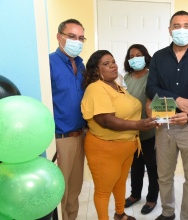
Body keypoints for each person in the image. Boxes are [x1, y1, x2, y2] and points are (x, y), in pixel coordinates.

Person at [146, 10, 188, 220]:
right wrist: (177, 99)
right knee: (164, 176)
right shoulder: (158, 57)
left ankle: (187, 217)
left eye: (186, 25)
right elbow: (151, 88)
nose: (181, 29)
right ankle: (168, 213)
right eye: (177, 25)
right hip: (165, 122)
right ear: (169, 30)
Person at [81, 50, 157, 220]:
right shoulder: (96, 88)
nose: (113, 65)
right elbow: (106, 120)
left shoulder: (117, 86)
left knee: (120, 183)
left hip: (126, 147)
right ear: (95, 70)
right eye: (106, 64)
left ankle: (120, 214)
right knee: (103, 191)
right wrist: (138, 125)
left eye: (113, 61)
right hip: (105, 148)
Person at [49, 18, 87, 220]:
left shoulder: (82, 65)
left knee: (75, 189)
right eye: (71, 36)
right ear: (59, 37)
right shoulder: (49, 63)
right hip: (61, 138)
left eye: (81, 38)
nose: (77, 41)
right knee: (59, 192)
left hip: (81, 135)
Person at [123, 44, 159, 215]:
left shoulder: (152, 77)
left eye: (139, 54)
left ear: (146, 57)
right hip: (131, 131)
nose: (135, 58)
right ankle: (135, 194)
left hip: (150, 130)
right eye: (132, 56)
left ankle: (152, 198)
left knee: (152, 166)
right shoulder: (126, 78)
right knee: (135, 166)